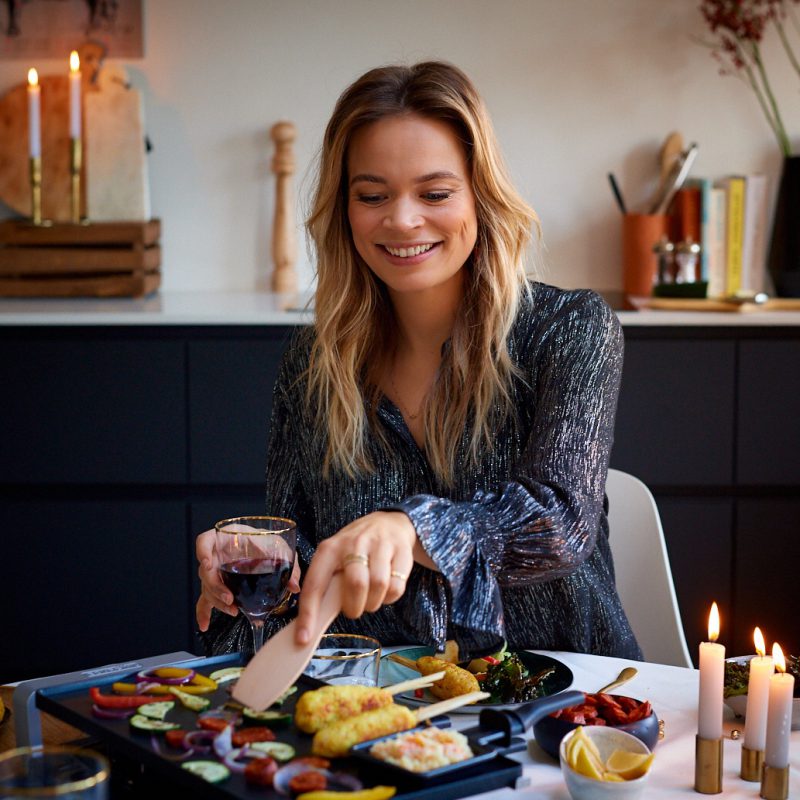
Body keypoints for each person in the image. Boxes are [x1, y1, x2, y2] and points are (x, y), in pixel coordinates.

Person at [196, 60, 642, 662]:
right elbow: (308, 568)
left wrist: (413, 527)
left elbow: (557, 524)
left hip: (566, 702)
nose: (402, 220)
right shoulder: (313, 363)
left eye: (434, 193)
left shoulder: (569, 329)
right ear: (344, 209)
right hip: (384, 710)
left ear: (480, 198)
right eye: (372, 195)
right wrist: (258, 566)